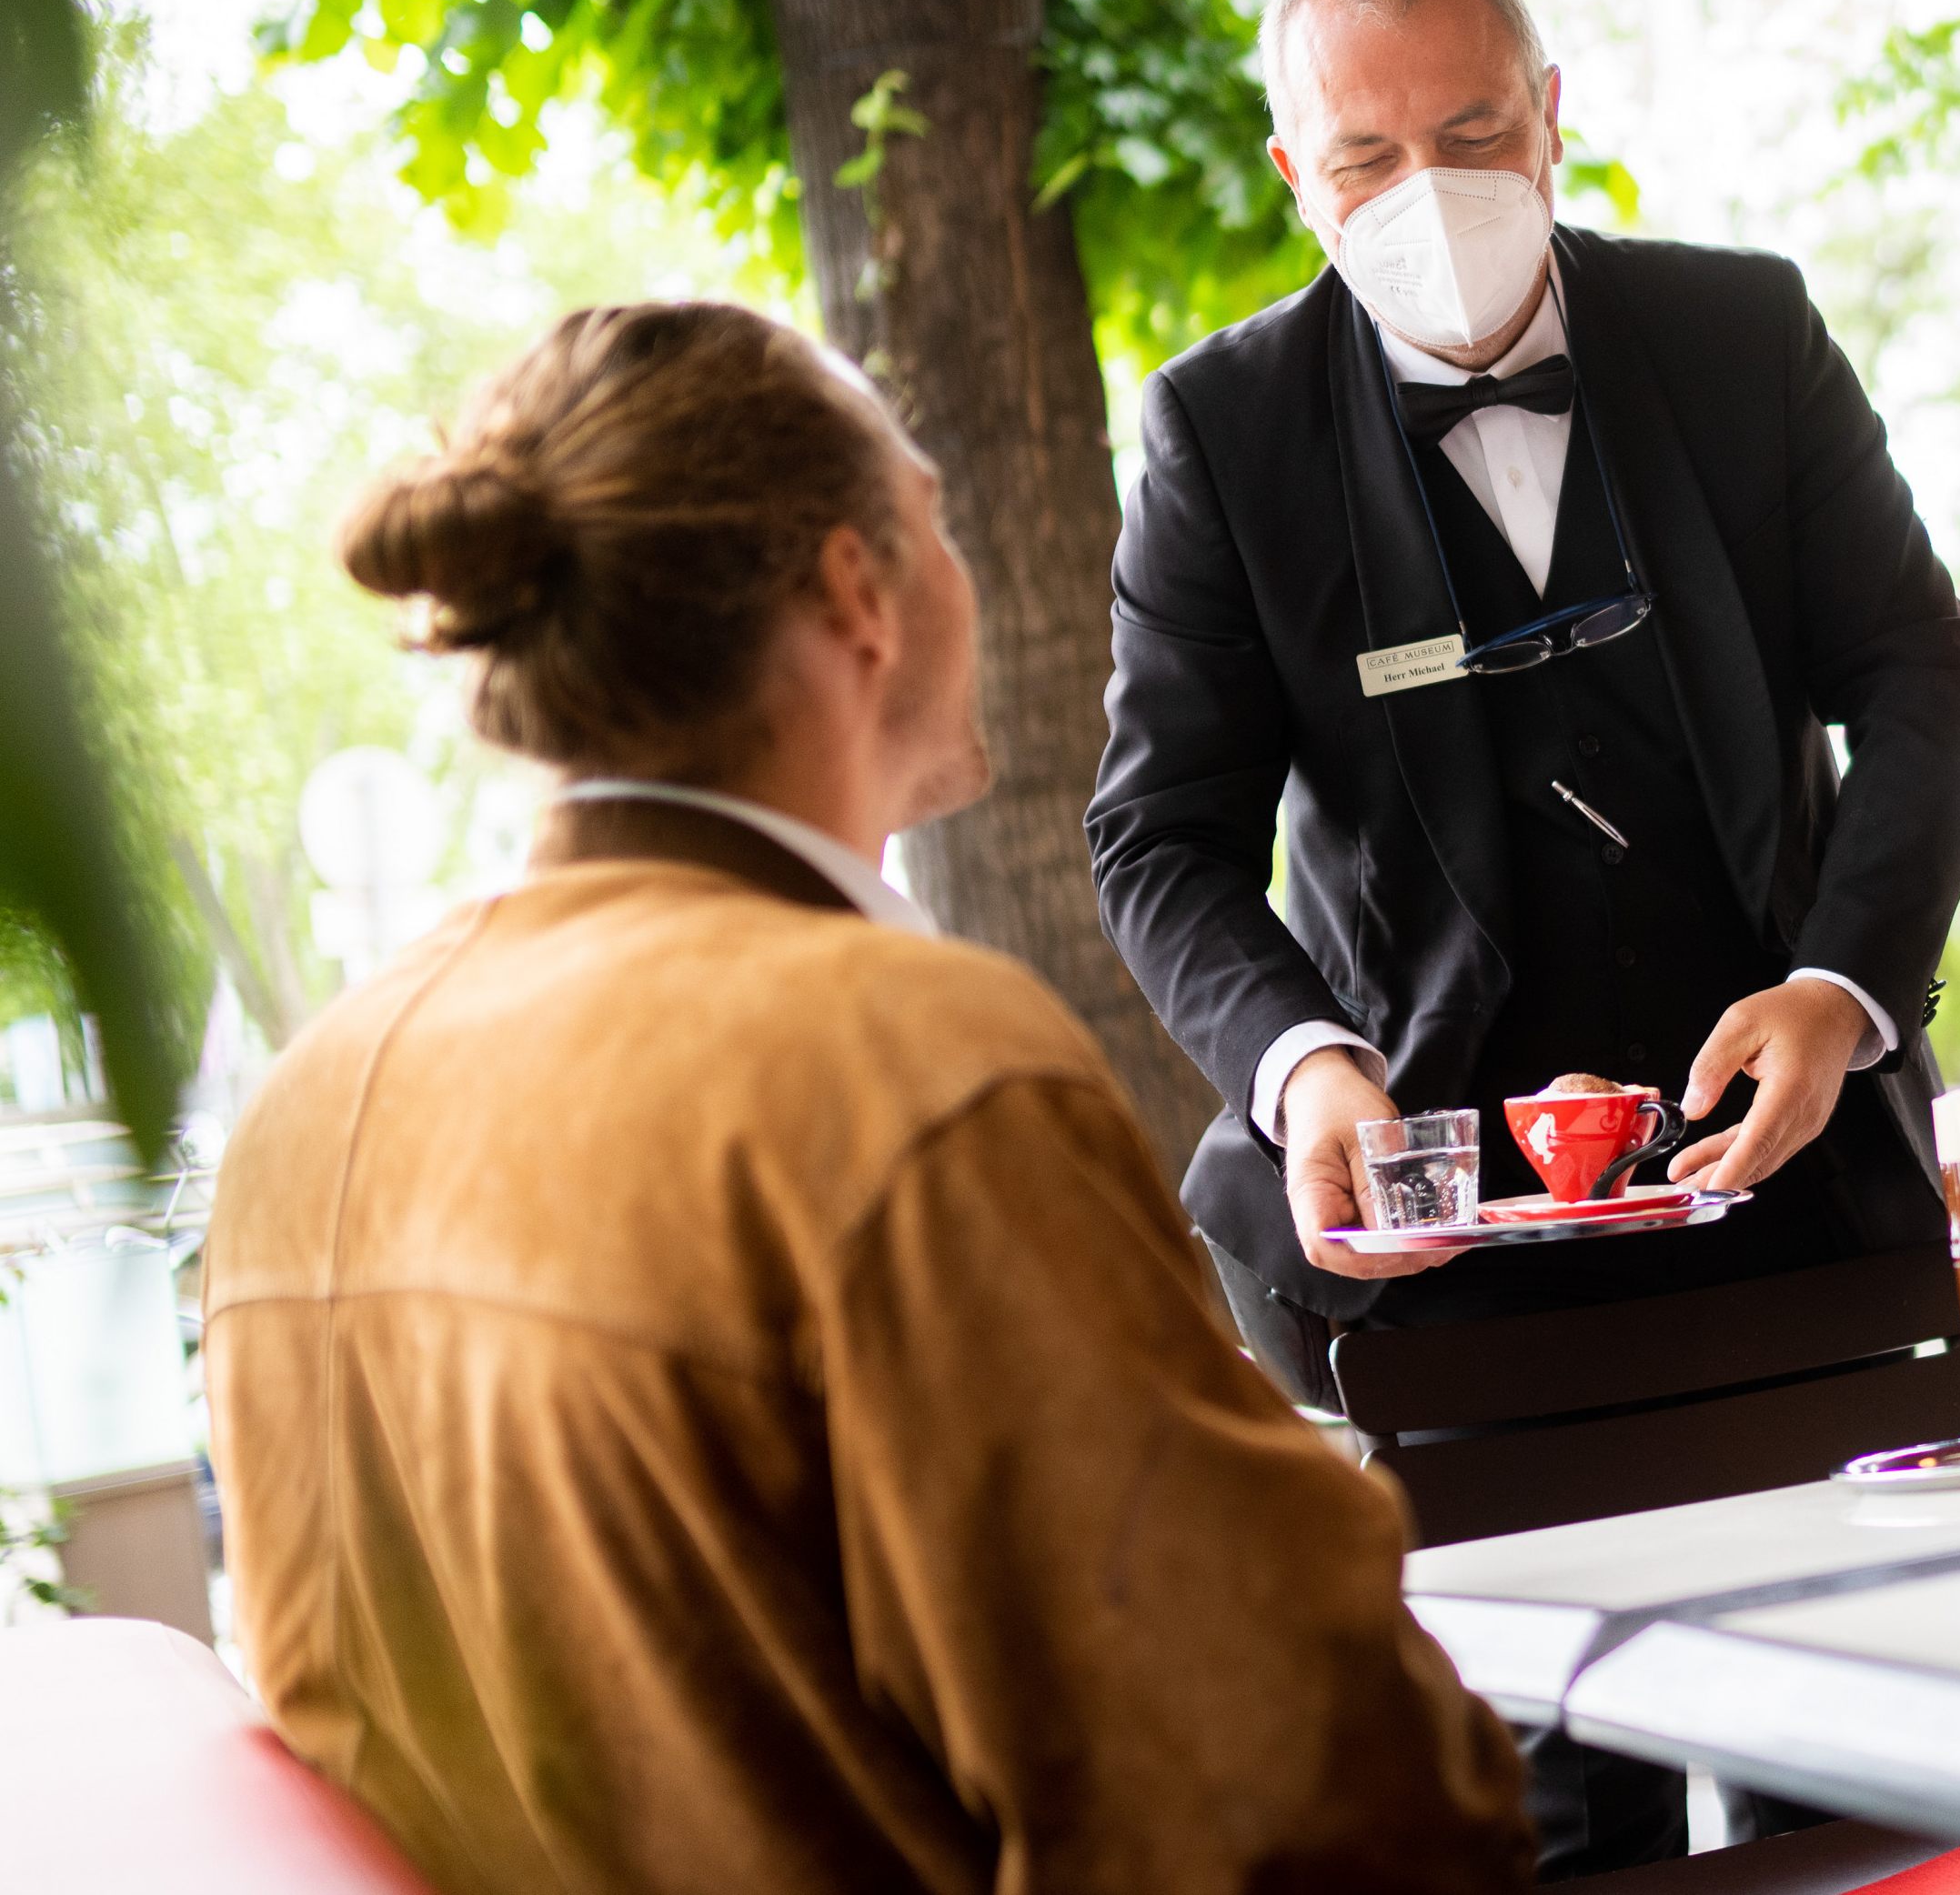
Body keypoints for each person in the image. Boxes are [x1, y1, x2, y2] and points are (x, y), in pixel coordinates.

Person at [202, 302, 1531, 1895]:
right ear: (857, 591)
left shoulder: (301, 1113)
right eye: (934, 516)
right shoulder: (902, 1062)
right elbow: (1305, 1798)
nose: (958, 565)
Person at [1086, 0, 1960, 1870]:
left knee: (1877, 1777)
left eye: (1471, 128)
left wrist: (1845, 984)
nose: (1425, 191)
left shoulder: (1741, 334)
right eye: (1364, 159)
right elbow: (1155, 834)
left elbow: (1922, 674)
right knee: (1540, 1816)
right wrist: (1305, 1068)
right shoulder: (1219, 436)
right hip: (1449, 1266)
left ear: (1554, 119)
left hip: (1794, 1206)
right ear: (1296, 181)